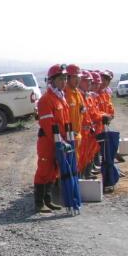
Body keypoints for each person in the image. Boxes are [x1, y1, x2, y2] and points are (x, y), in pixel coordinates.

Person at [33, 64, 71, 213]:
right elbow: (48, 125)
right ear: (52, 80)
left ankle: (48, 200)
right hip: (48, 141)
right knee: (44, 170)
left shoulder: (60, 98)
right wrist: (59, 141)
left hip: (59, 140)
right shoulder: (46, 100)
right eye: (61, 78)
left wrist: (65, 139)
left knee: (54, 170)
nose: (64, 81)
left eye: (65, 78)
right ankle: (39, 203)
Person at [64, 64, 86, 173]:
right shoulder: (64, 93)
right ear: (67, 78)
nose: (77, 80)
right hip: (68, 137)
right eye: (74, 77)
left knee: (76, 163)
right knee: (68, 166)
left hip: (77, 135)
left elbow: (82, 110)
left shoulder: (77, 93)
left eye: (78, 77)